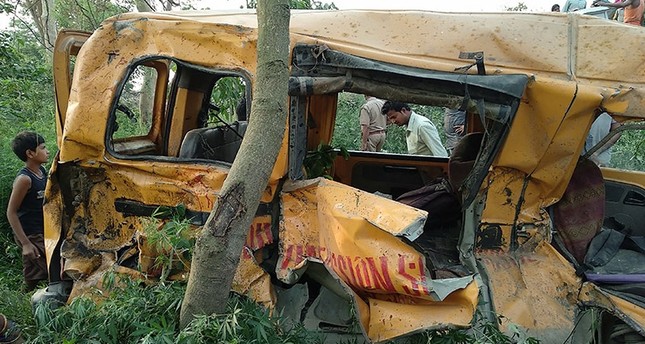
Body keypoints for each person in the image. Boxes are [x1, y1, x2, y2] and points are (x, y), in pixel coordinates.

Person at [6, 131, 50, 292]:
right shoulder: (25, 179)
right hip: (30, 233)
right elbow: (11, 212)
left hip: (41, 229)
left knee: (35, 269)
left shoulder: (42, 172)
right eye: (43, 148)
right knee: (50, 267)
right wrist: (25, 243)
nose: (48, 151)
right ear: (30, 153)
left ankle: (25, 293)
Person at [381, 101, 448, 157]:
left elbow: (441, 154)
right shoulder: (410, 125)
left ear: (403, 111)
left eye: (394, 117)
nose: (393, 121)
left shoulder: (422, 126)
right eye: (390, 119)